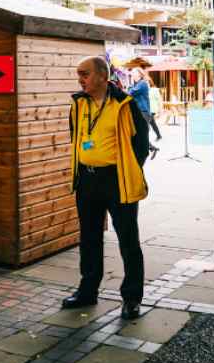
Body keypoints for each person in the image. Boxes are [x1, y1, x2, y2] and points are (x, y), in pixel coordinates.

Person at [64, 56, 149, 320]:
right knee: (89, 238)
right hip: (87, 181)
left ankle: (132, 297)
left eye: (85, 74)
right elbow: (75, 136)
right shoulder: (78, 104)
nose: (81, 79)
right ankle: (87, 291)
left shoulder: (126, 104)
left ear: (102, 75)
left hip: (117, 179)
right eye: (79, 74)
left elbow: (141, 145)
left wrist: (128, 168)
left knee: (128, 239)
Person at [128, 68, 159, 160]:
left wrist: (130, 86)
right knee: (139, 133)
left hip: (143, 112)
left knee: (141, 133)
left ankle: (147, 150)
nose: (132, 75)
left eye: (134, 73)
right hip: (139, 111)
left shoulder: (142, 84)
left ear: (140, 75)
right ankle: (152, 148)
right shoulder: (136, 84)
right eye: (132, 73)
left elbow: (130, 93)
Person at [147, 76, 163, 141]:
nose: (146, 84)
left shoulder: (154, 89)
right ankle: (159, 135)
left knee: (147, 124)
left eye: (147, 82)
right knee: (152, 123)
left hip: (152, 109)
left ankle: (147, 140)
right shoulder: (144, 90)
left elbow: (159, 100)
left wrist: (160, 110)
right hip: (147, 109)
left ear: (150, 83)